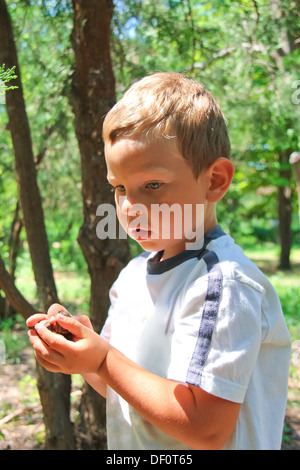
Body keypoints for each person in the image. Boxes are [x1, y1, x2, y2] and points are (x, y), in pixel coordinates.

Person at [27, 72, 291, 450]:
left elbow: (205, 427)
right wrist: (85, 358)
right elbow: (125, 388)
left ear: (214, 180)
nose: (130, 208)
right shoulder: (133, 276)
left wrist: (103, 360)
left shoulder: (222, 284)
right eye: (119, 188)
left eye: (152, 185)